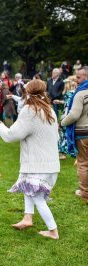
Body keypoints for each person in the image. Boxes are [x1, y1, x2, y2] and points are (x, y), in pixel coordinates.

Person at [0, 80, 60, 240]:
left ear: (27, 93)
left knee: (37, 197)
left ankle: (53, 231)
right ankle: (27, 218)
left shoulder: (29, 110)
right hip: (49, 163)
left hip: (38, 164)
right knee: (27, 188)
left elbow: (11, 136)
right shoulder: (49, 109)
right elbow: (55, 136)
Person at [61, 67, 88, 203]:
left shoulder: (80, 93)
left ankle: (85, 193)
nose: (76, 80)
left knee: (83, 164)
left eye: (78, 77)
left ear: (86, 77)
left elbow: (74, 115)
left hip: (83, 134)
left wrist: (62, 122)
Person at [54, 76, 77, 159]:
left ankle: (64, 153)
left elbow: (68, 106)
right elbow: (68, 103)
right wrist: (60, 101)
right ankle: (74, 153)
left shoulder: (69, 93)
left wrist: (64, 118)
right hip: (74, 115)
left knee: (63, 133)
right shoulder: (77, 92)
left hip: (67, 115)